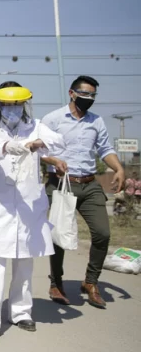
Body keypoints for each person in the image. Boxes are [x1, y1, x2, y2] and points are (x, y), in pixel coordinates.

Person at [0, 83, 65, 336]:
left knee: (24, 259)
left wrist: (38, 142)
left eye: (17, 104)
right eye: (7, 104)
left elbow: (58, 143)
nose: (12, 109)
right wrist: (6, 146)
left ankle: (21, 312)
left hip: (28, 204)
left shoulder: (35, 126)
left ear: (24, 104)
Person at [41, 75, 125, 309]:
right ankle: (56, 283)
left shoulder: (96, 121)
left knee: (102, 234)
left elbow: (105, 148)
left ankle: (90, 282)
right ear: (72, 93)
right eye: (85, 94)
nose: (89, 99)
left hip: (89, 184)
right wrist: (53, 159)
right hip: (61, 184)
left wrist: (118, 167)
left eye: (92, 95)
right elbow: (38, 149)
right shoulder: (53, 119)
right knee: (58, 237)